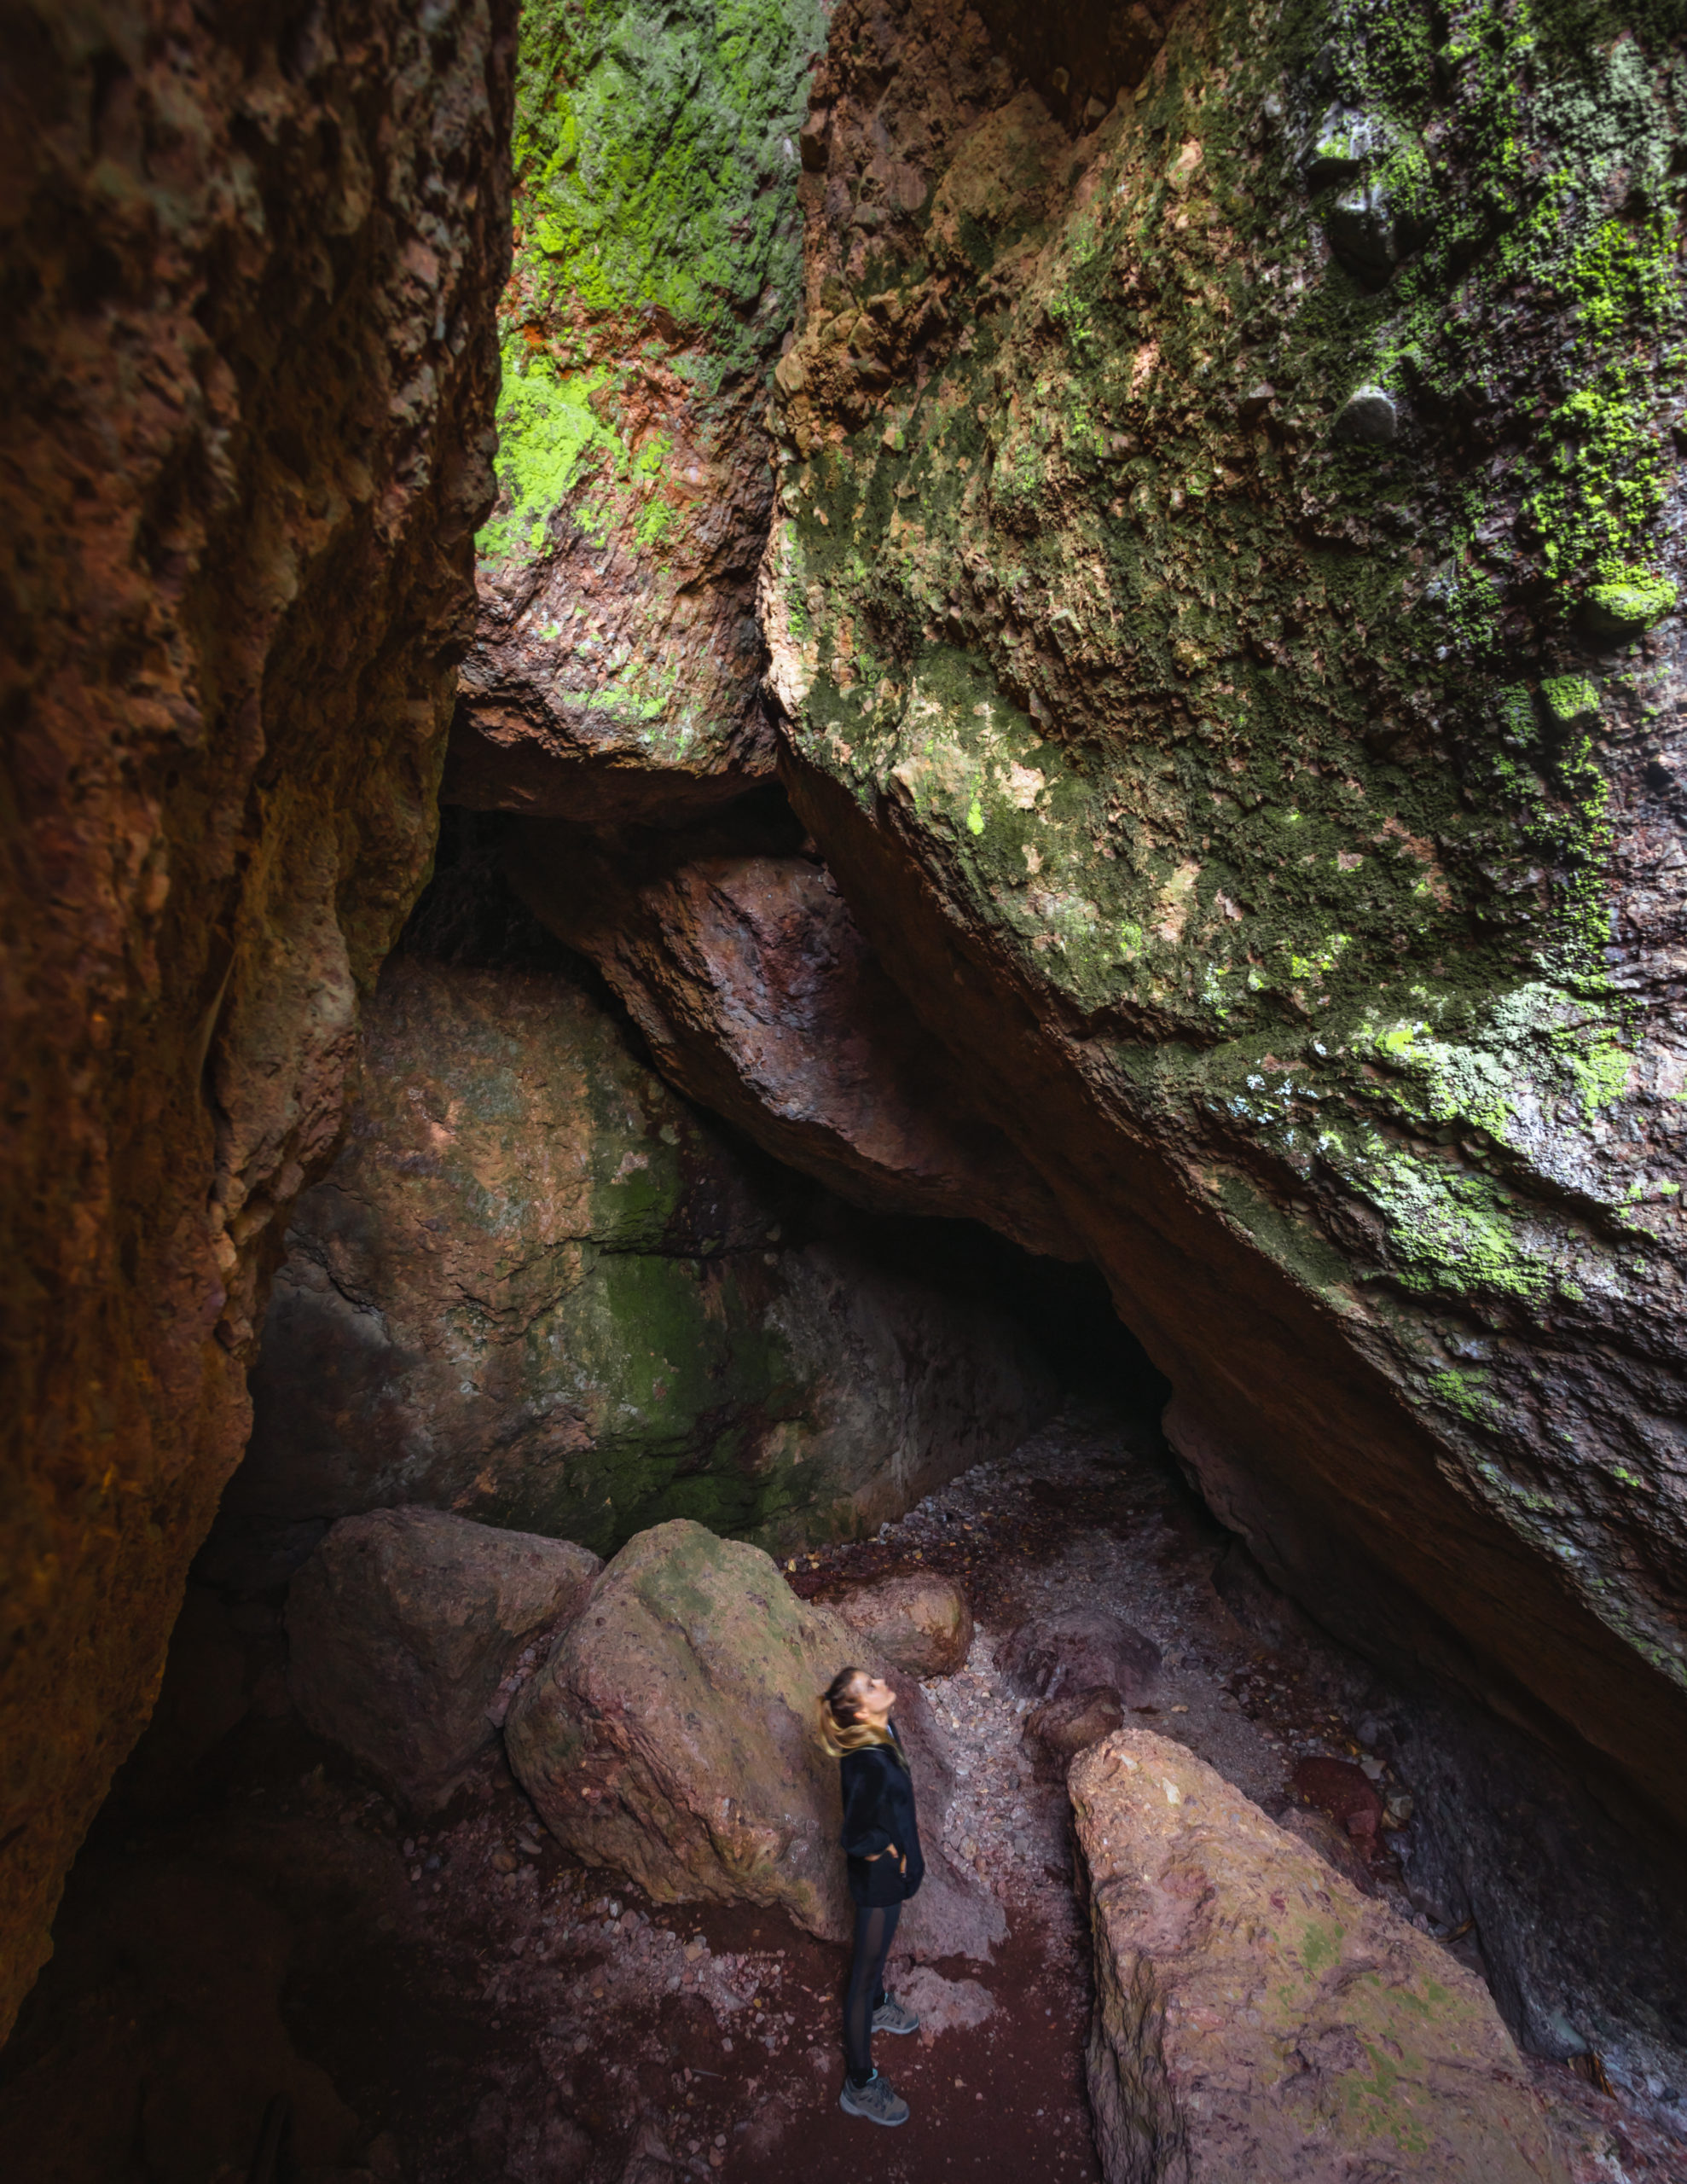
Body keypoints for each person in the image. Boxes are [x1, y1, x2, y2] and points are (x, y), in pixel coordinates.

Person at [819, 1664, 925, 2127]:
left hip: (894, 1873)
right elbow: (854, 1835)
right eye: (871, 1686)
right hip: (878, 1880)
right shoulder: (865, 1760)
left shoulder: (883, 1730)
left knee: (877, 1959)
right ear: (862, 1710)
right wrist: (890, 1851)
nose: (882, 1684)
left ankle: (880, 2005)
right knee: (861, 1975)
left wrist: (907, 1852)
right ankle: (859, 2084)